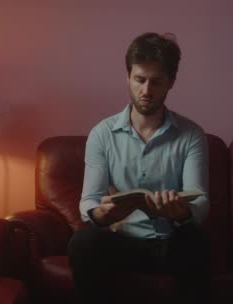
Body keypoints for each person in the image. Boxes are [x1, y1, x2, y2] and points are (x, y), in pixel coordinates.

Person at [67, 32, 210, 304]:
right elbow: (89, 200)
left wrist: (180, 213)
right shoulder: (102, 134)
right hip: (124, 243)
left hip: (173, 243)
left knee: (196, 241)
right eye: (139, 80)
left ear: (171, 82)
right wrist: (102, 213)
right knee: (83, 243)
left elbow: (201, 201)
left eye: (156, 82)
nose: (146, 90)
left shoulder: (192, 135)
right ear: (128, 78)